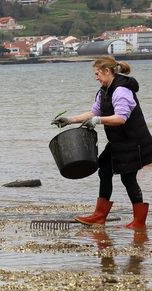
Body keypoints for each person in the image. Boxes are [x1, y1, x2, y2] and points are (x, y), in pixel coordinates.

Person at [52, 56, 152, 229]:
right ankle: (99, 216)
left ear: (107, 71)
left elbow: (120, 118)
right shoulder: (104, 90)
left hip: (134, 142)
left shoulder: (121, 90)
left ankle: (139, 222)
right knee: (104, 170)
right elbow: (94, 112)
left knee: (128, 179)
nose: (96, 77)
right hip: (118, 142)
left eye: (97, 73)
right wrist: (69, 120)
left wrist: (98, 121)